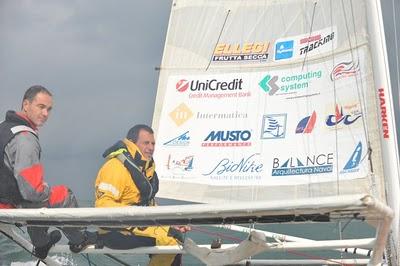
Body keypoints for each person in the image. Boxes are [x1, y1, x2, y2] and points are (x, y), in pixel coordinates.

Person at [0, 85, 97, 259]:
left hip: (3, 202)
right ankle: (79, 240)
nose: (45, 114)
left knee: (36, 200)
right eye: (41, 107)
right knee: (63, 195)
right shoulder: (25, 138)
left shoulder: (4, 128)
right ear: (26, 104)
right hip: (9, 207)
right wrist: (43, 188)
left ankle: (42, 244)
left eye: (49, 109)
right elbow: (31, 191)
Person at [95, 124, 189, 266]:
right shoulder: (115, 167)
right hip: (114, 231)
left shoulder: (146, 169)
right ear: (132, 143)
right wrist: (136, 216)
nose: (151, 147)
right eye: (146, 143)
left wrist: (168, 222)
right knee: (170, 240)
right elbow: (102, 206)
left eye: (153, 143)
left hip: (135, 226)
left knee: (175, 237)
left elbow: (147, 205)